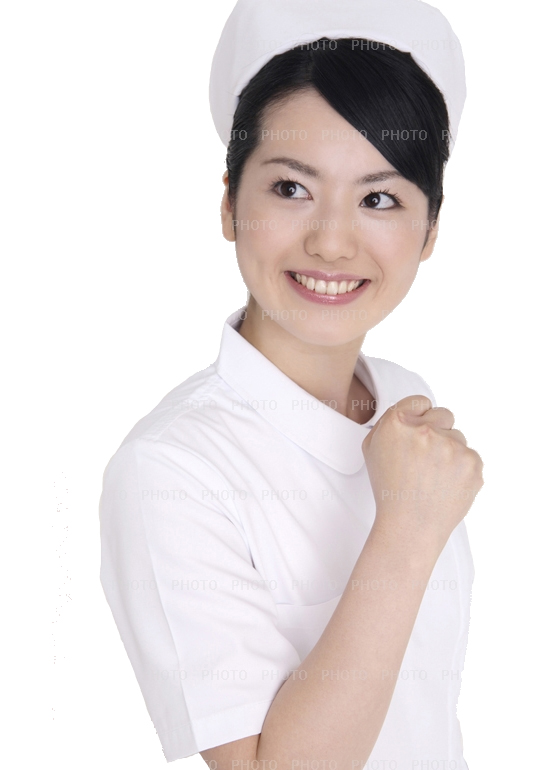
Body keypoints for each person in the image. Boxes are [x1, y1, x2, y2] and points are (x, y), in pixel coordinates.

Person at [98, 1, 484, 768]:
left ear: (430, 230)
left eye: (378, 198)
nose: (331, 241)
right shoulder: (172, 469)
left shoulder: (403, 402)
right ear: (228, 203)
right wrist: (406, 531)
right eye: (290, 189)